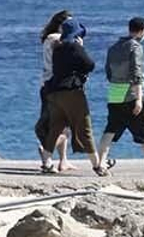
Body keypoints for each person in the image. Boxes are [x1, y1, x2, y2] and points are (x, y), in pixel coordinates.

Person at [97, 17, 144, 177]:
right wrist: (138, 99)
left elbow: (108, 72)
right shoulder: (136, 47)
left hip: (115, 93)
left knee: (111, 129)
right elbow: (137, 74)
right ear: (142, 31)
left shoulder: (113, 47)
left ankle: (101, 163)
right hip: (131, 94)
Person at [43, 20, 108, 176]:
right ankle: (97, 165)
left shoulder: (57, 47)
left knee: (56, 127)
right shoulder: (74, 47)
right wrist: (81, 47)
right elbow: (90, 65)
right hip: (71, 92)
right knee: (84, 128)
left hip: (54, 91)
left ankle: (47, 160)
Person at [37, 10, 75, 173]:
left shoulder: (48, 38)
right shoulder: (57, 39)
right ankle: (48, 149)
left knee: (58, 124)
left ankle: (63, 160)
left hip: (46, 84)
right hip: (59, 86)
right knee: (64, 124)